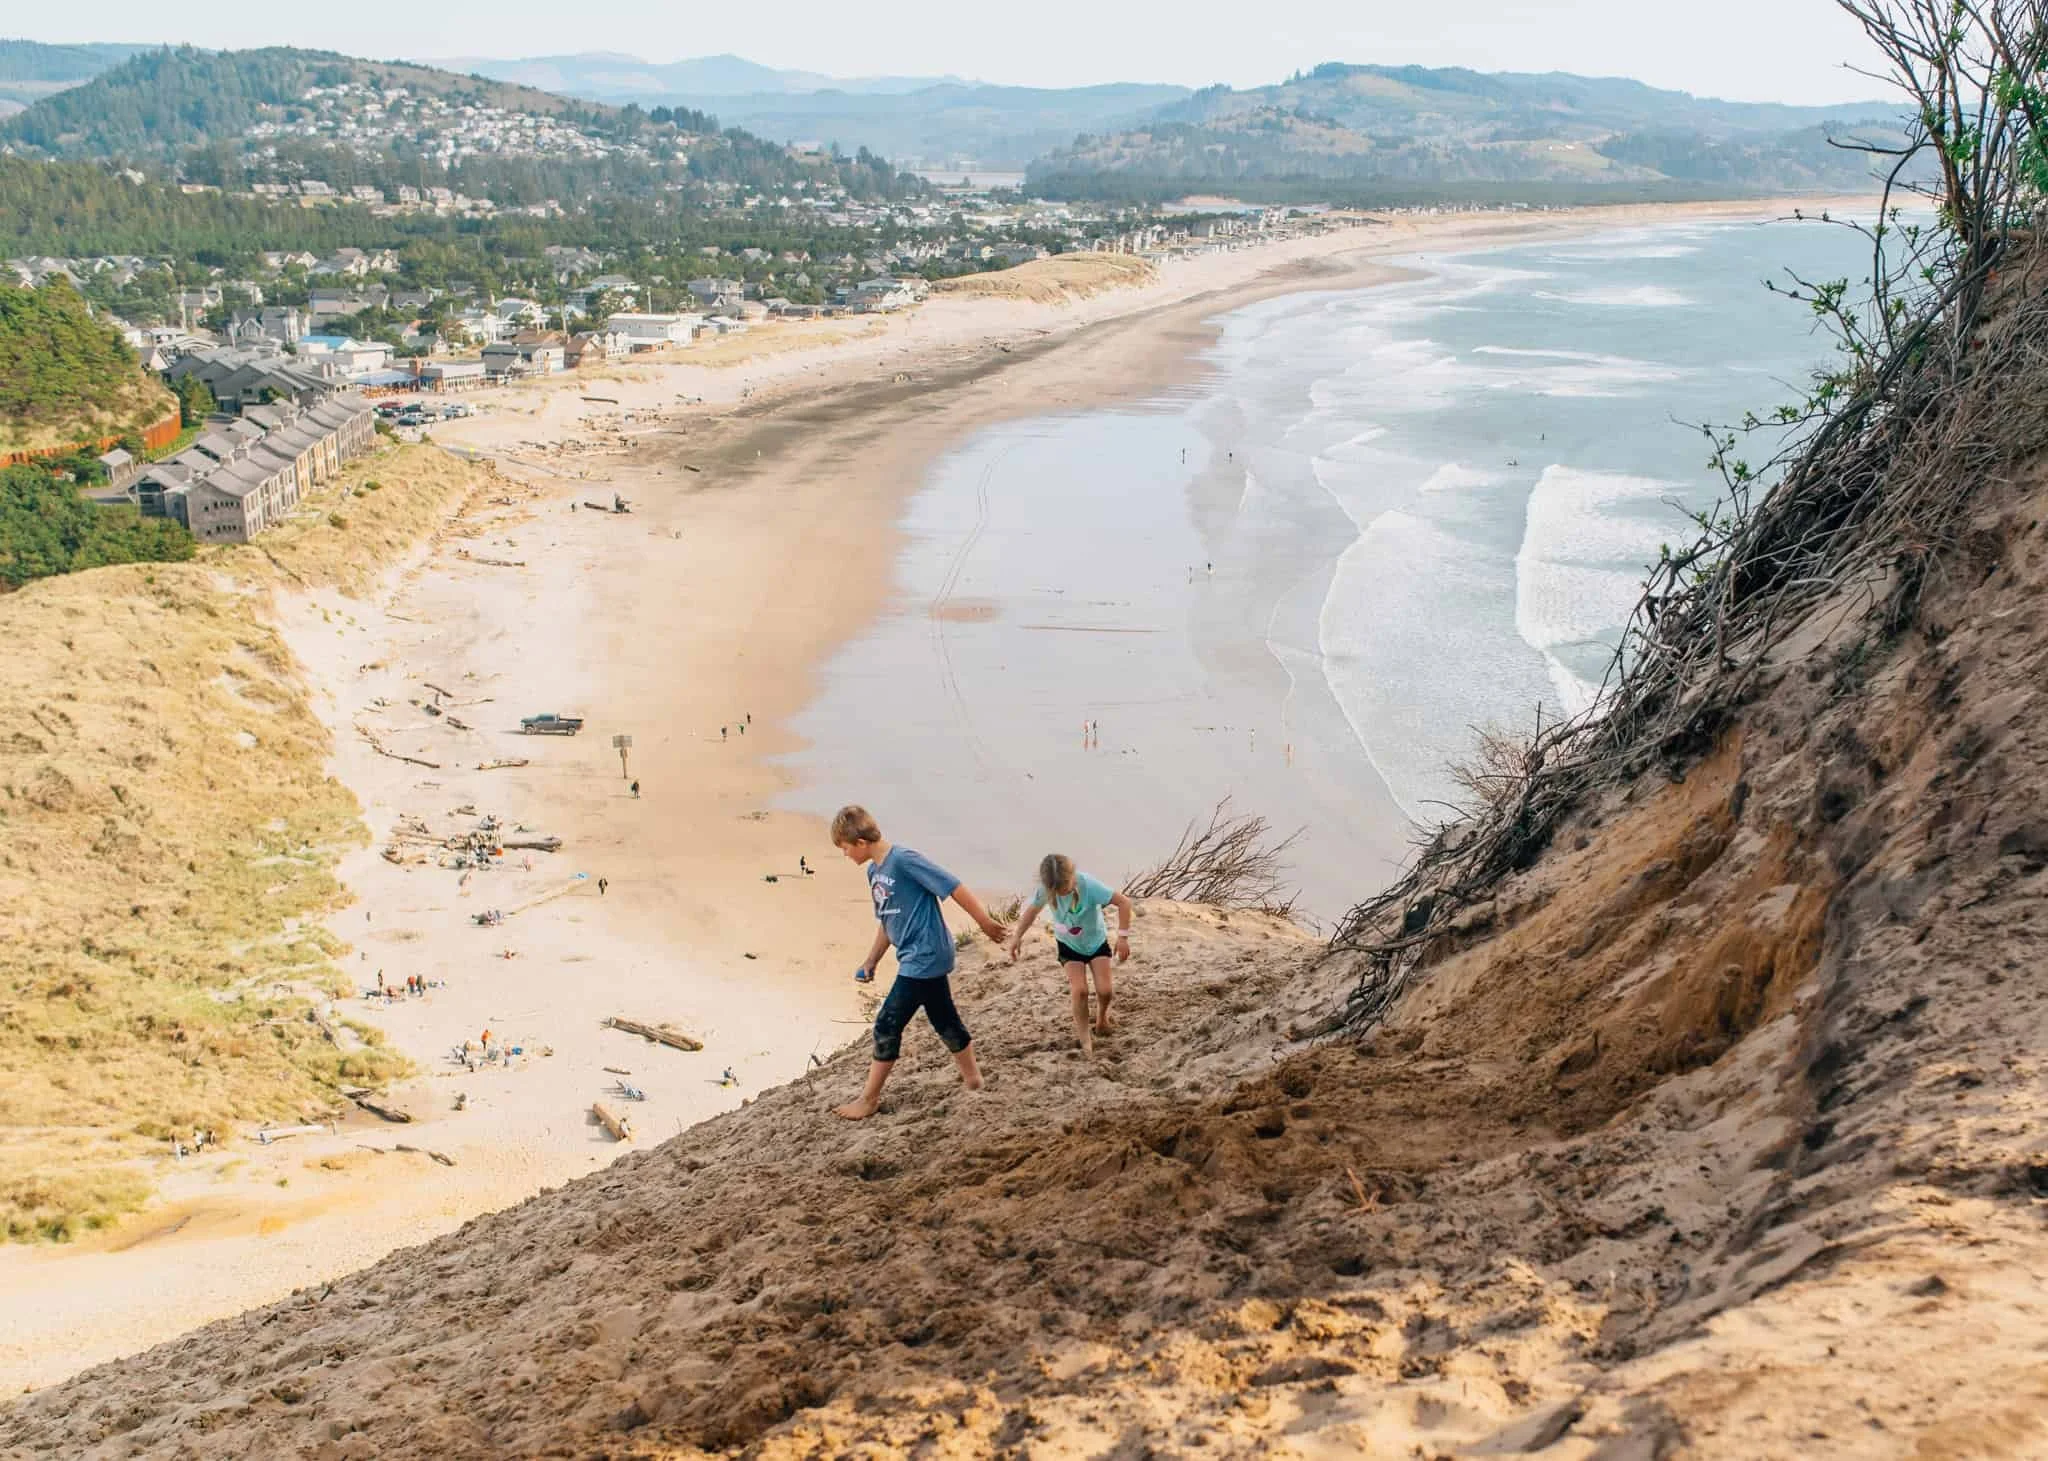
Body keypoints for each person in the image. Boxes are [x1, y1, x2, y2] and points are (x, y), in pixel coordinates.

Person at [830, 804, 1007, 1119]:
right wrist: (871, 961)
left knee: (887, 1023)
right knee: (943, 1017)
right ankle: (974, 1080)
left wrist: (984, 922)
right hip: (915, 955)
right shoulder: (875, 871)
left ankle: (868, 1100)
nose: (844, 855)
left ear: (860, 842)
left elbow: (953, 885)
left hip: (925, 954)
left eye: (844, 848)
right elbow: (887, 921)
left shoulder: (904, 861)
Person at [1007, 853, 1132, 1054]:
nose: (1061, 893)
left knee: (1105, 991)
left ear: (1072, 877)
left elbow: (1124, 902)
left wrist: (1123, 937)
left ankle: (1102, 1019)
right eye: (1056, 890)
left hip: (1096, 942)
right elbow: (1031, 911)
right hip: (1068, 945)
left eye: (1064, 888)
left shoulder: (1089, 886)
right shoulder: (1046, 890)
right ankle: (1085, 1041)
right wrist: (1017, 936)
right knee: (1080, 991)